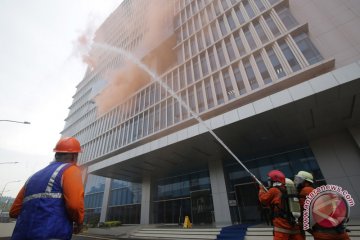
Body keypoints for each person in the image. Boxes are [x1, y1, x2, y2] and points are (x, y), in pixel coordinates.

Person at [9, 137, 85, 240]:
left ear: (56, 155)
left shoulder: (33, 177)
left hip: (20, 235)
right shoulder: (71, 170)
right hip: (52, 234)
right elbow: (74, 205)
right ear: (74, 155)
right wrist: (79, 222)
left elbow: (13, 211)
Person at [294, 171, 350, 240]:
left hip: (324, 234)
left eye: (299, 180)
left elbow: (303, 212)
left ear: (307, 182)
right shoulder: (319, 192)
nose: (296, 182)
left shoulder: (306, 190)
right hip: (340, 231)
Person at [258, 170, 303, 240]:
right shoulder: (288, 189)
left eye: (269, 180)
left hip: (282, 226)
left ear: (274, 180)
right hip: (294, 224)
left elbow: (263, 200)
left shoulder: (274, 190)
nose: (268, 181)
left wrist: (261, 189)